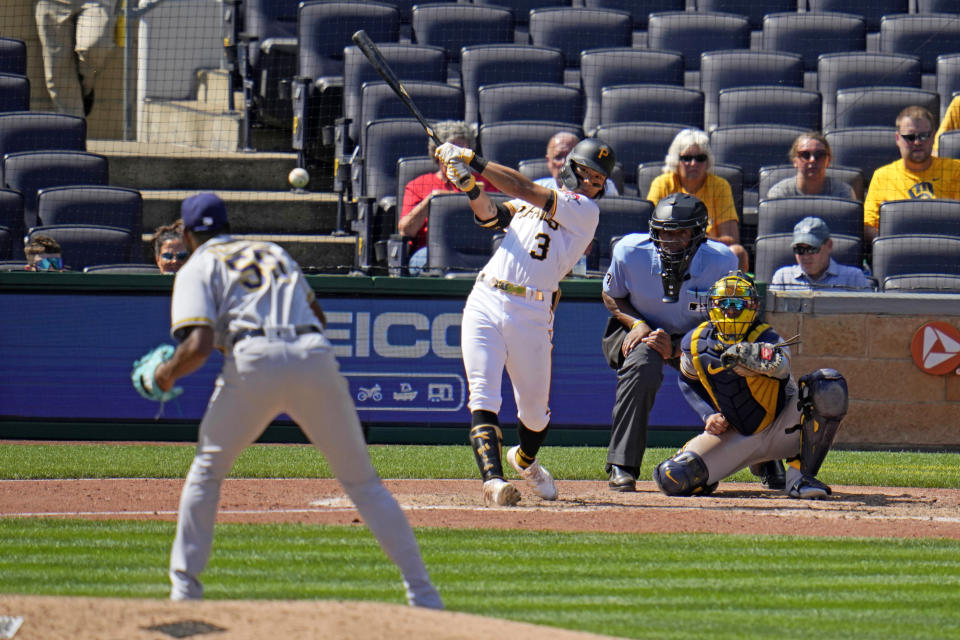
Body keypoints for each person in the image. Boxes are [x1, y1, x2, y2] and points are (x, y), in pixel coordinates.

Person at [151, 193, 442, 608]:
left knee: (207, 472)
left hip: (253, 359)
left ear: (186, 231)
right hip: (312, 354)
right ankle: (424, 594)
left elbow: (197, 345)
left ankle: (184, 592)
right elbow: (318, 317)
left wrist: (165, 374)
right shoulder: (270, 251)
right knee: (363, 484)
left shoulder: (195, 264)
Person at [433, 137, 613, 506]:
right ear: (570, 168)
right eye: (588, 174)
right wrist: (468, 186)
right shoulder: (539, 197)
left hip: (531, 312)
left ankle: (524, 460)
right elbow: (492, 218)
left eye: (599, 180)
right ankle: (493, 481)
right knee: (483, 394)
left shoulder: (584, 211)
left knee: (534, 414)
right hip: (486, 296)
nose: (593, 183)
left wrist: (471, 158)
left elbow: (521, 186)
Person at [600, 193, 774, 492]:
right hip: (647, 331)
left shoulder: (723, 259)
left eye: (679, 232)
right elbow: (611, 295)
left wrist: (684, 345)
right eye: (664, 232)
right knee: (641, 367)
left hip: (703, 336)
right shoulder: (629, 251)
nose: (670, 239)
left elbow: (733, 313)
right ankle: (622, 465)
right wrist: (637, 324)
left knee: (739, 369)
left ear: (697, 233)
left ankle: (767, 461)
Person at [653, 272, 848, 500]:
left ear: (753, 307)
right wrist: (708, 415)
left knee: (828, 384)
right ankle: (761, 463)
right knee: (673, 478)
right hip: (737, 433)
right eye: (723, 303)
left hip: (783, 425)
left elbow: (781, 365)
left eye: (738, 303)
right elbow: (687, 379)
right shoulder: (695, 343)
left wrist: (758, 359)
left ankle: (800, 477)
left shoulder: (767, 337)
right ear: (712, 305)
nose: (730, 310)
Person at [398, 120, 497, 274]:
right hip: (433, 250)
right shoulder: (419, 185)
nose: (456, 155)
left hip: (481, 249)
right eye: (451, 149)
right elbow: (406, 230)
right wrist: (431, 200)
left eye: (462, 149)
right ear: (438, 153)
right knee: (422, 260)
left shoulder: (486, 183)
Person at [645, 129, 750, 272]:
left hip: (707, 252)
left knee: (738, 252)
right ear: (676, 160)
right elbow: (650, 230)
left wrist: (696, 240)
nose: (693, 163)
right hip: (668, 250)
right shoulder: (661, 184)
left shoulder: (720, 186)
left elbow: (731, 239)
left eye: (700, 158)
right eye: (686, 158)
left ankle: (731, 294)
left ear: (708, 162)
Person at [863, 105, 960, 242]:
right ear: (897, 138)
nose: (917, 142)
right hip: (900, 253)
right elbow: (868, 225)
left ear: (933, 136)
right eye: (910, 137)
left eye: (924, 136)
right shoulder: (883, 176)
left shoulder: (955, 170)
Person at [34, 0, 116, 117]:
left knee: (95, 46)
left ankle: (86, 86)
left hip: (96, 2)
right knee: (58, 73)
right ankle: (74, 129)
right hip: (52, 3)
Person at [770, 216, 871, 291]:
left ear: (829, 245)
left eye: (812, 249)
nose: (805, 256)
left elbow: (870, 317)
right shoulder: (783, 278)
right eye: (799, 250)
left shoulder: (853, 278)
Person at [766, 132, 857, 200]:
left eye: (819, 155)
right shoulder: (780, 194)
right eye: (805, 155)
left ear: (828, 161)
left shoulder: (842, 193)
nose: (812, 160)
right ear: (795, 161)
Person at [533, 131, 619, 196]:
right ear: (549, 161)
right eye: (558, 157)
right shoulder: (537, 188)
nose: (564, 162)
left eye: (569, 157)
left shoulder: (606, 189)